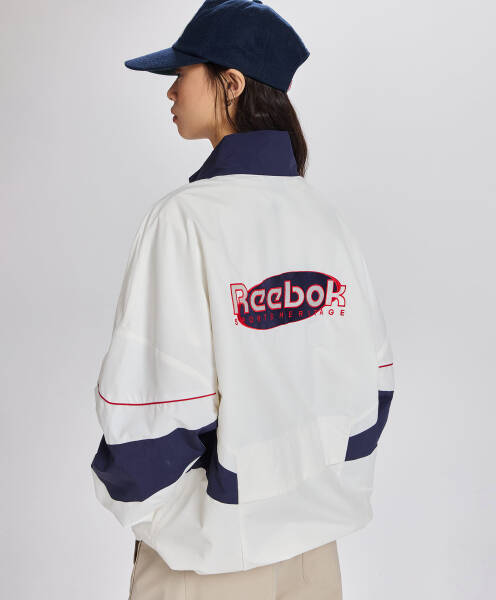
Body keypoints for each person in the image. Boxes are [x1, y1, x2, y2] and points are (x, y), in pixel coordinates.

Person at [90, 2, 395, 599]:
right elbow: (375, 387)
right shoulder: (325, 219)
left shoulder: (184, 219)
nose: (170, 90)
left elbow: (148, 413)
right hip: (314, 558)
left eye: (182, 72)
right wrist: (311, 490)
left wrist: (161, 517)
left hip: (208, 560)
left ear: (230, 83)